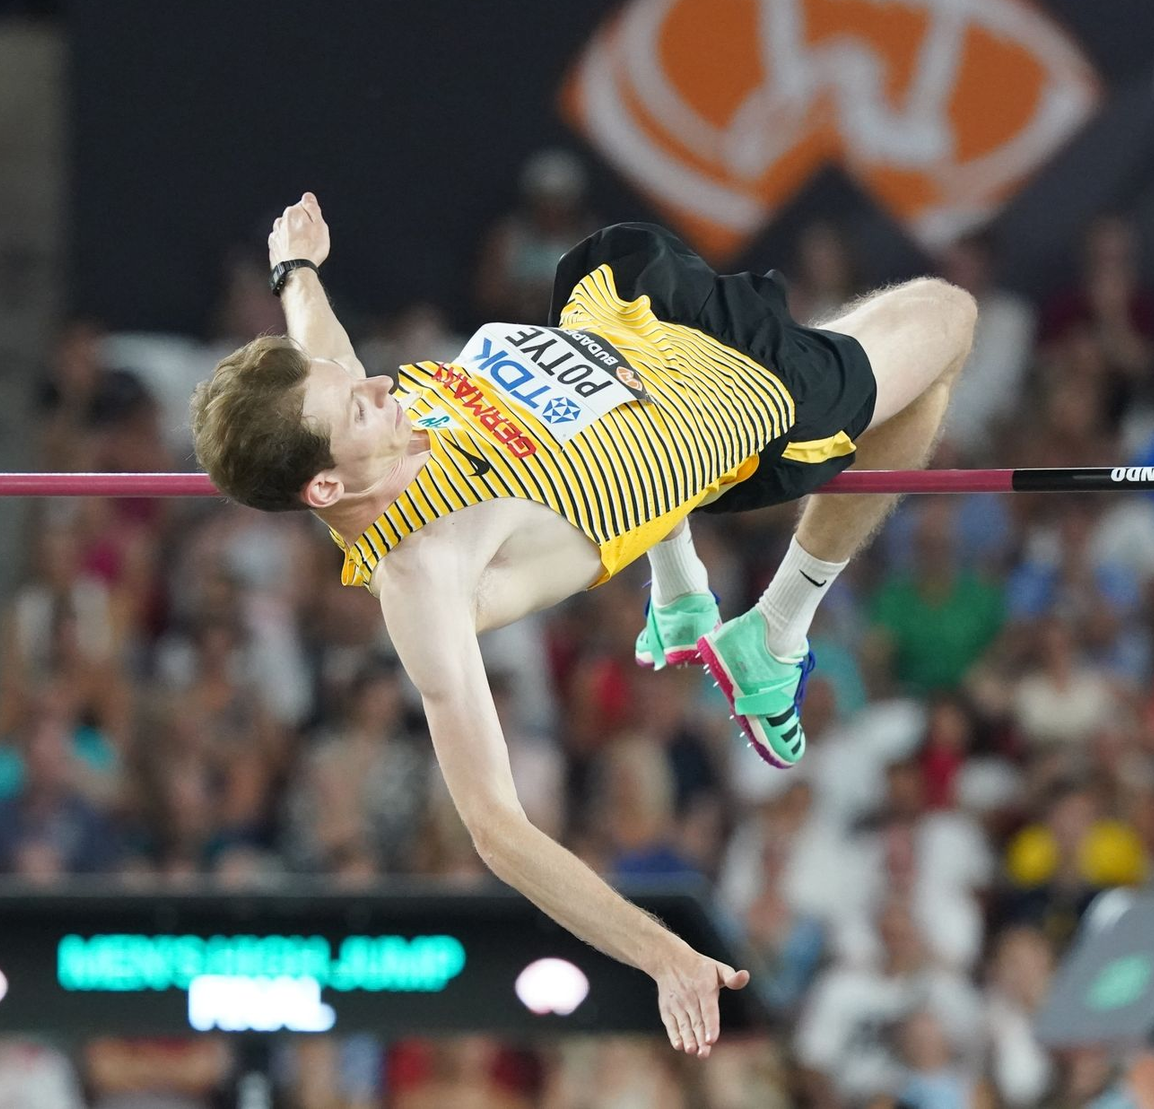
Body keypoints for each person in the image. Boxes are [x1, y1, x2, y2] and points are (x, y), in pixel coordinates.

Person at [191, 192, 976, 1058]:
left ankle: (677, 579)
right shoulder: (427, 574)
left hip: (622, 316)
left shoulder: (346, 434)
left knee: (615, 252)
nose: (381, 383)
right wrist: (663, 954)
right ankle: (778, 627)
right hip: (745, 402)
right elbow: (497, 829)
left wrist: (295, 267)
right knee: (947, 317)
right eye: (359, 408)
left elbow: (322, 348)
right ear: (328, 491)